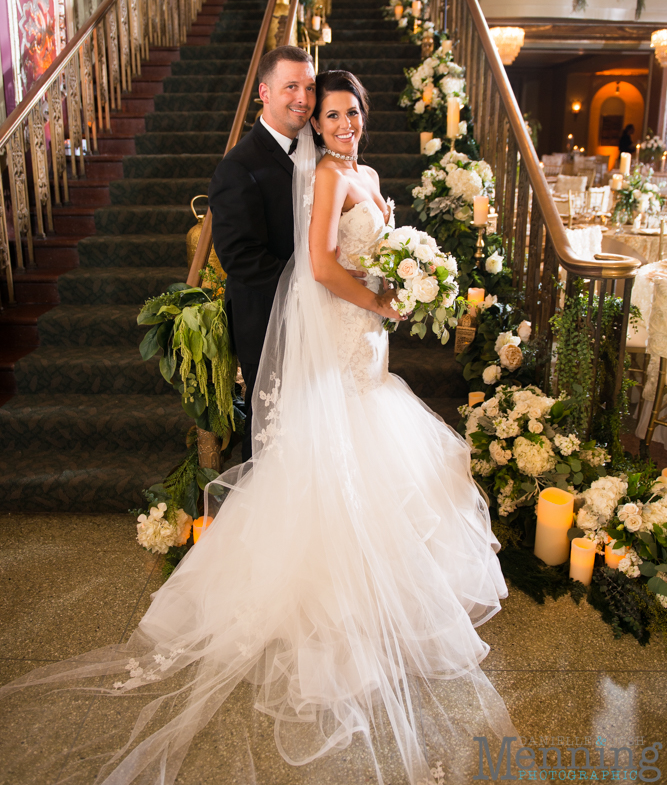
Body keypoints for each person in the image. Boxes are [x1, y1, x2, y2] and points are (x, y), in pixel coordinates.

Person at [0, 70, 514, 785]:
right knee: (338, 457)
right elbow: (320, 264)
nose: (341, 123)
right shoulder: (330, 177)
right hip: (344, 327)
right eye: (328, 113)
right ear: (311, 122)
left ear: (364, 115)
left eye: (349, 111)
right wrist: (384, 298)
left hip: (368, 336)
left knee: (376, 457)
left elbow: (369, 252)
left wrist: (404, 275)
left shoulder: (365, 170)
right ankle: (332, 608)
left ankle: (387, 598)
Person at [208, 45, 365, 460]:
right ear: (264, 91)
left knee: (326, 427)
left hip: (329, 315)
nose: (302, 98)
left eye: (310, 88)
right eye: (290, 87)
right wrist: (313, 288)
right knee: (277, 435)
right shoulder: (238, 167)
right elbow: (239, 257)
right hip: (269, 318)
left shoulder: (322, 141)